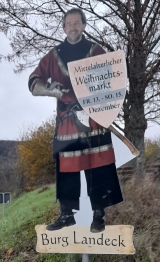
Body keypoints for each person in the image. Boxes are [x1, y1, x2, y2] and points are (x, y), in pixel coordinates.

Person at [28, 8, 123, 233]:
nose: (72, 27)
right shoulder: (54, 54)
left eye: (76, 23)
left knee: (97, 165)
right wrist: (50, 92)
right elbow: (33, 81)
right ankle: (66, 215)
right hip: (67, 120)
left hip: (94, 120)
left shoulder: (96, 50)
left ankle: (99, 215)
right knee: (66, 168)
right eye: (69, 23)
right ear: (63, 27)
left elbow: (113, 80)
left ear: (83, 25)